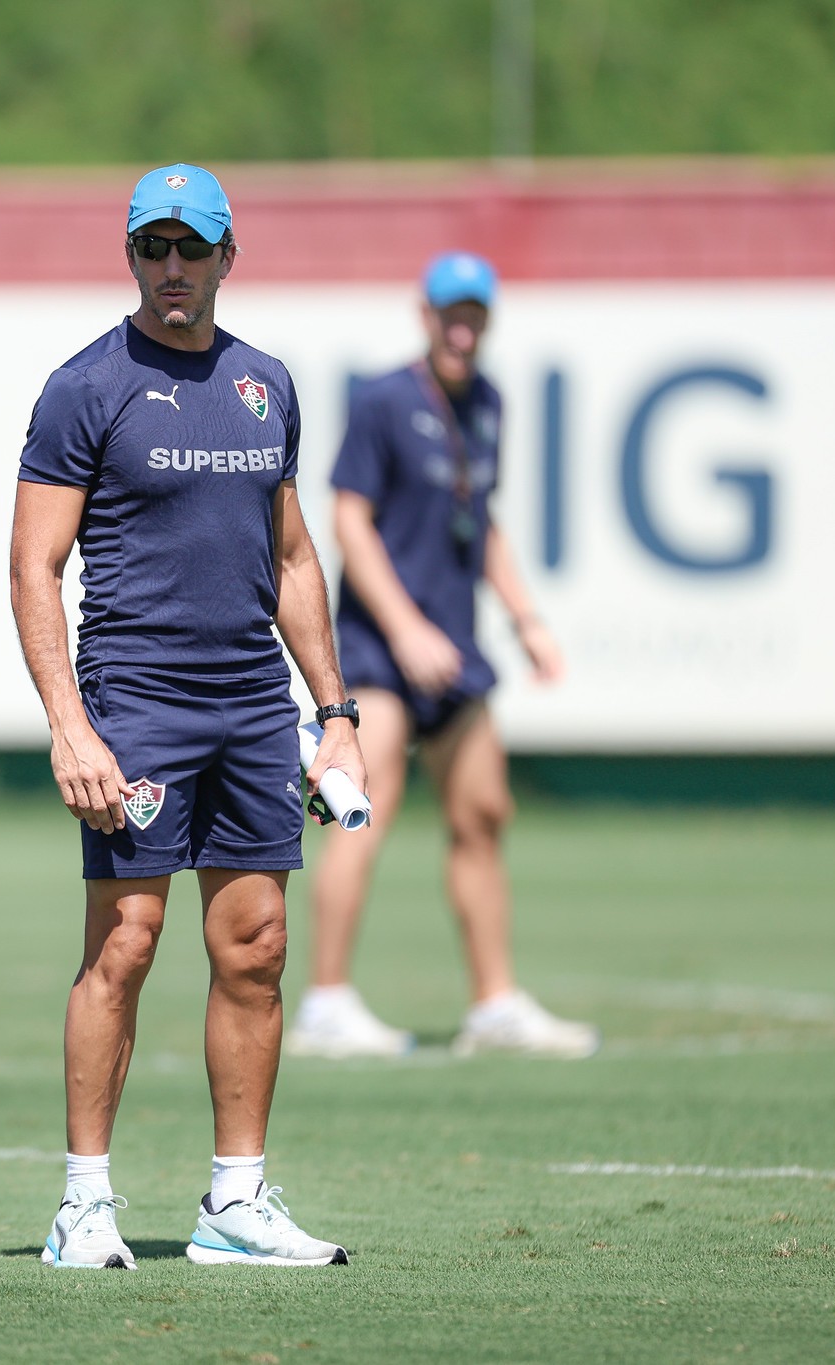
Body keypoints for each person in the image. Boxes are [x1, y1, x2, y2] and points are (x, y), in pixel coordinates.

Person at [10, 163, 368, 1270]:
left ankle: (236, 1203)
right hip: (139, 706)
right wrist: (71, 726)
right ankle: (82, 1205)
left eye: (192, 248)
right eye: (153, 248)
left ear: (227, 258)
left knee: (255, 948)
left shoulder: (266, 384)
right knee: (125, 945)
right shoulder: (86, 385)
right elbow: (33, 568)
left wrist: (337, 712)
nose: (172, 268)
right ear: (130, 256)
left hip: (253, 709)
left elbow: (294, 557)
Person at [289, 251, 598, 1062]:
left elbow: (481, 518)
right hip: (380, 650)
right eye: (449, 312)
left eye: (475, 314)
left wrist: (525, 616)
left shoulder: (487, 403)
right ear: (424, 316)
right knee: (362, 810)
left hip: (454, 648)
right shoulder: (385, 400)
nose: (462, 327)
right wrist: (404, 629)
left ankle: (493, 1003)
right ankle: (325, 1002)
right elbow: (349, 521)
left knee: (483, 812)